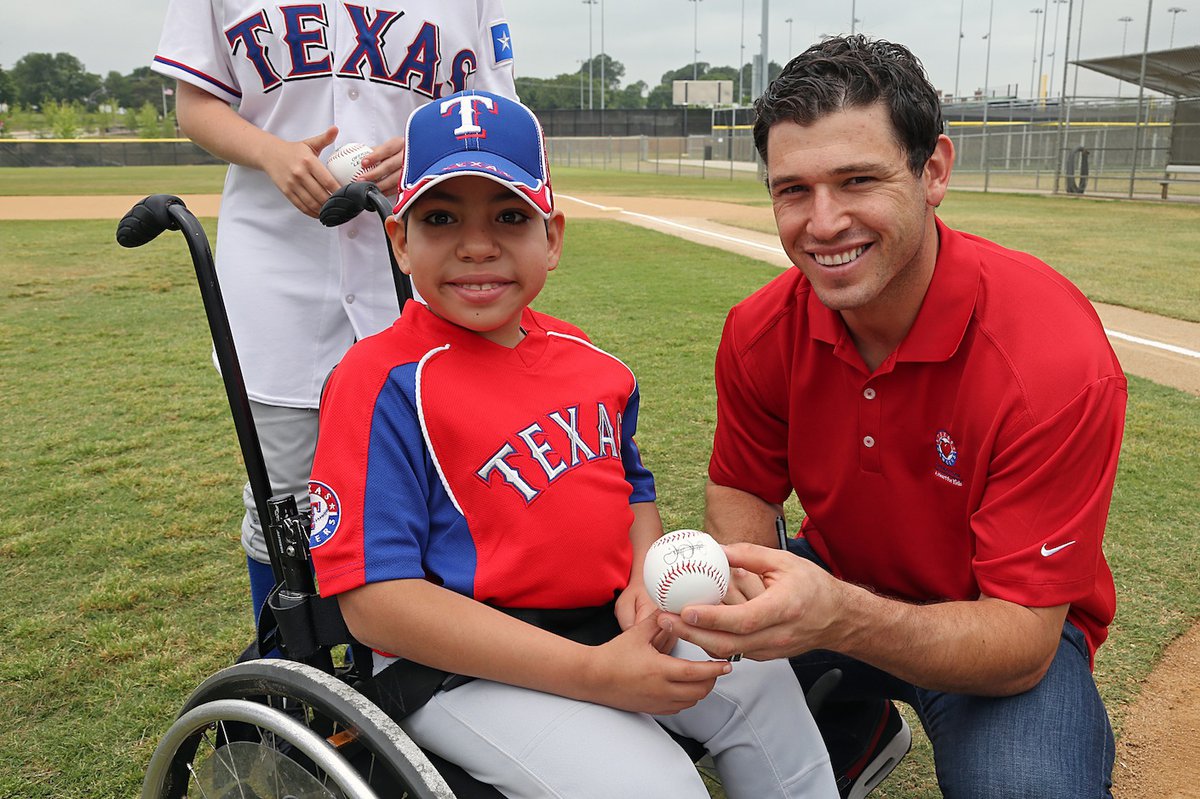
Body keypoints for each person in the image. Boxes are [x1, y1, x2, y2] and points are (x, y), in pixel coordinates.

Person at [306, 89, 839, 798]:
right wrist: (594, 674)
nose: (476, 244)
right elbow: (375, 602)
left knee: (765, 685)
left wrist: (640, 587)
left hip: (601, 621)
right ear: (400, 240)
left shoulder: (587, 359)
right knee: (659, 785)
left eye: (508, 215)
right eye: (441, 218)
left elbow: (632, 491)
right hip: (465, 669)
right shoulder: (379, 381)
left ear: (551, 237)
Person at [664, 36, 1127, 799]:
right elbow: (742, 488)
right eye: (793, 190)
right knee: (649, 688)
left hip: (994, 631)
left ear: (933, 170)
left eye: (857, 180)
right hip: (837, 582)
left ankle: (844, 705)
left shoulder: (1052, 355)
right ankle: (856, 727)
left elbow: (1020, 642)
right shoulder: (760, 328)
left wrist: (837, 616)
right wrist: (743, 587)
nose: (822, 222)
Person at [150, 2, 518, 629]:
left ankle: (423, 674)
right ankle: (287, 676)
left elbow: (498, 114)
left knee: (432, 489)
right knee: (284, 505)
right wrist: (271, 153)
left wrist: (431, 148)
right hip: (275, 275)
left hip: (421, 266)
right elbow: (196, 104)